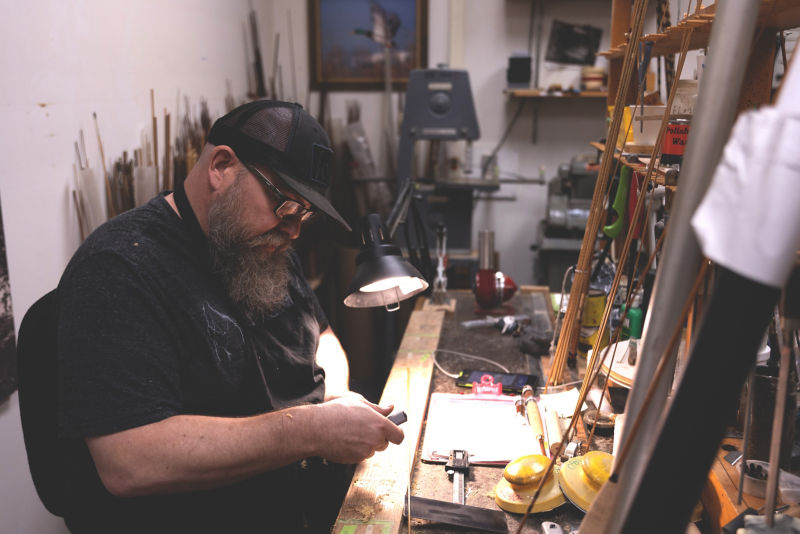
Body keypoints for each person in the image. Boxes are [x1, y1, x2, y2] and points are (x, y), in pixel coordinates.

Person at [55, 100, 404, 533]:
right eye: (285, 204)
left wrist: (336, 397)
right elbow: (129, 460)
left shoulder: (262, 244)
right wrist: (310, 430)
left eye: (304, 213)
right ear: (221, 166)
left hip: (300, 495)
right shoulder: (120, 268)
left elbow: (322, 334)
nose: (293, 229)